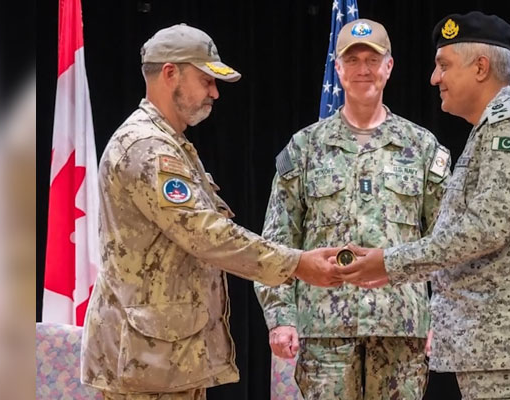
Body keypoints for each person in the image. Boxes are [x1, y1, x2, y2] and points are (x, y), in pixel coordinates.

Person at [80, 23, 340, 400]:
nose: (215, 93)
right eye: (206, 80)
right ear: (170, 74)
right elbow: (208, 234)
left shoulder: (170, 143)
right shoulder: (149, 148)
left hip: (163, 357)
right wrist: (297, 263)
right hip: (145, 363)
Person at [336, 12, 510, 400]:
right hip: (492, 345)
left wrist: (391, 263)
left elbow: (481, 231)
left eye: (443, 65)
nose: (434, 78)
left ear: (480, 67)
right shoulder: (490, 132)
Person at [253, 18, 451, 400]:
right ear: (338, 68)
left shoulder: (422, 148)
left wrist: (441, 316)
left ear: (388, 67)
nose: (364, 70)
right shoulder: (306, 148)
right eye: (353, 60)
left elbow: (447, 243)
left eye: (373, 60)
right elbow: (277, 240)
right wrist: (281, 317)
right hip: (326, 330)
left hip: (400, 329)